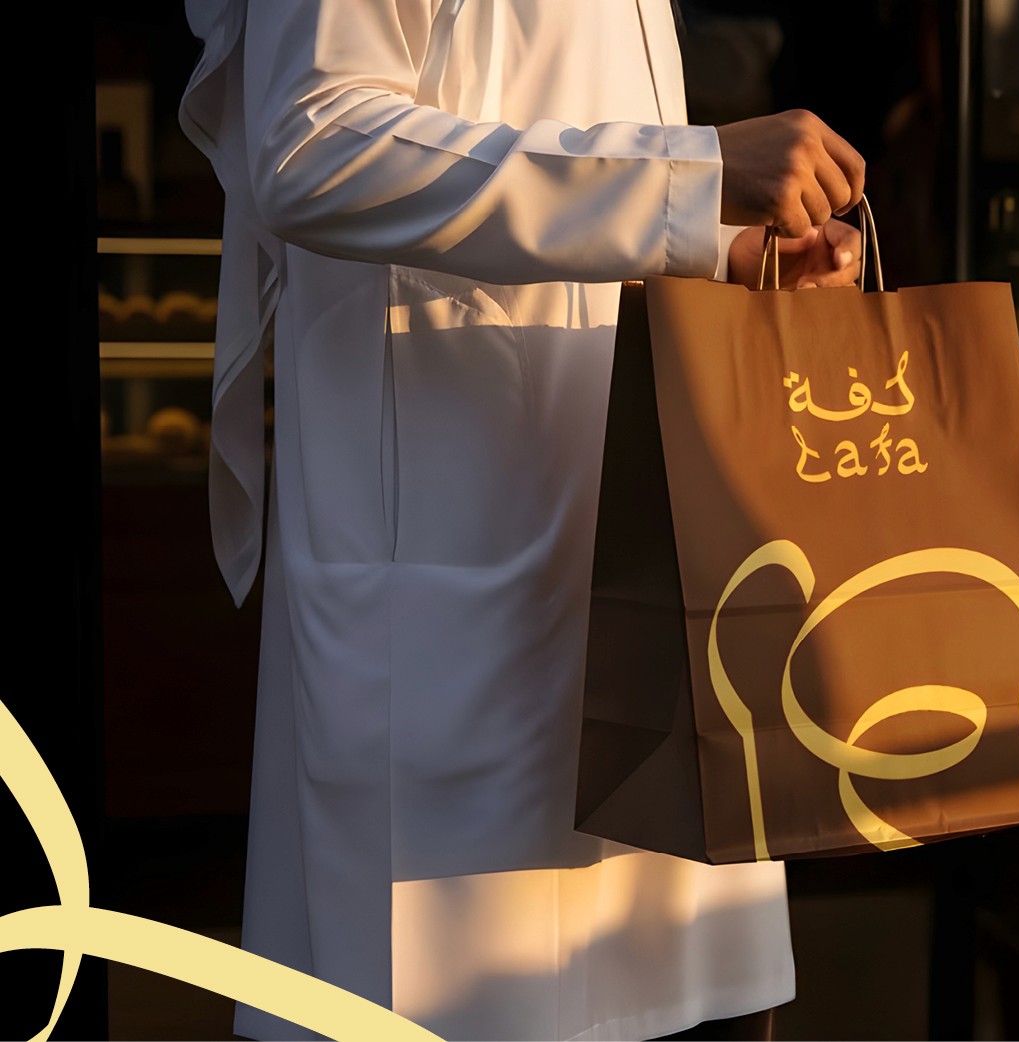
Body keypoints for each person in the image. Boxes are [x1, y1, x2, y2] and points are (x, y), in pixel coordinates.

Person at [178, 2, 865, 1039]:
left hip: (629, 547)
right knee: (453, 991)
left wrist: (723, 249)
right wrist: (688, 176)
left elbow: (568, 137)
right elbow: (308, 141)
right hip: (455, 569)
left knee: (672, 990)